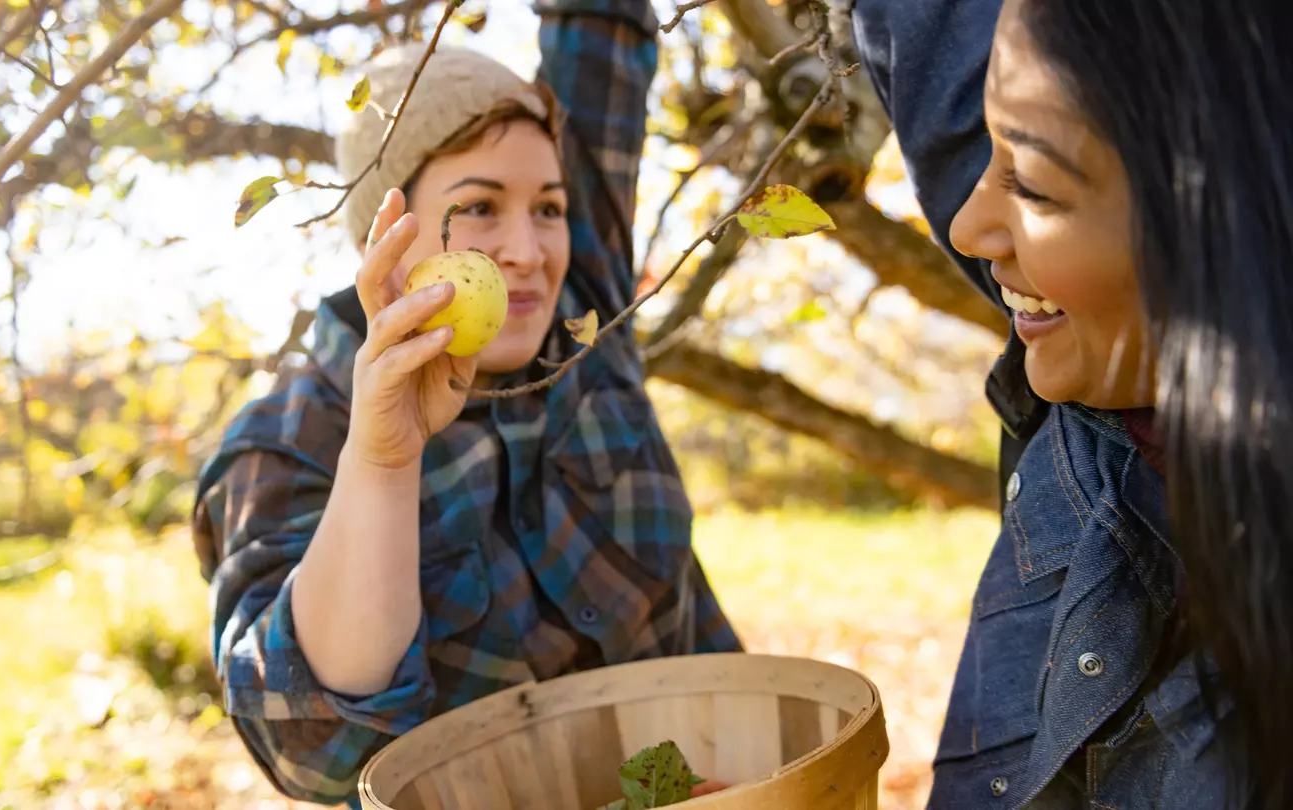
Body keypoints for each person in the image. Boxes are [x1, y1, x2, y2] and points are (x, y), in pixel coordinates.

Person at [189, 2, 743, 805]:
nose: (527, 252)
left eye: (549, 208)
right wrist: (383, 463)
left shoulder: (585, 325)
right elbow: (311, 747)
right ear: (393, 234)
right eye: (479, 206)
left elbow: (602, 37)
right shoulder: (288, 440)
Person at [854, 0, 1293, 807]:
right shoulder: (1095, 330)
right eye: (990, 149)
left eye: (1035, 187)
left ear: (1225, 217)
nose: (968, 228)